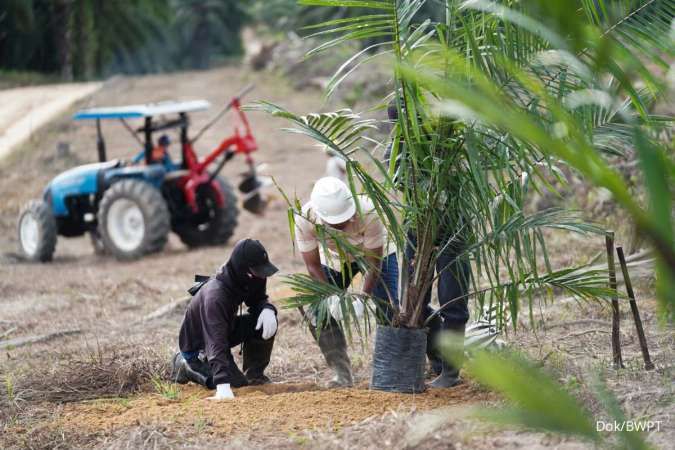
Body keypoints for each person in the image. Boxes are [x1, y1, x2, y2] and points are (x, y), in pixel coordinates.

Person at [386, 99, 470, 388]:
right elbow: (399, 181)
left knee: (453, 299)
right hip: (418, 229)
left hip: (451, 227)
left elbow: (460, 178)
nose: (401, 132)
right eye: (398, 128)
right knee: (414, 299)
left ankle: (451, 372)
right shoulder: (394, 150)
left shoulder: (442, 140)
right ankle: (432, 361)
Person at [294, 176, 398, 387]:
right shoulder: (306, 218)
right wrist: (330, 297)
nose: (341, 225)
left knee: (392, 308)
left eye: (344, 220)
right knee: (315, 306)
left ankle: (401, 367)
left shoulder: (368, 212)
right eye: (335, 223)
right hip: (336, 257)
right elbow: (313, 265)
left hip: (377, 254)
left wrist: (363, 297)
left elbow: (373, 263)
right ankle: (341, 372)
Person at [171, 239, 279, 397]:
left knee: (262, 323)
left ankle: (255, 376)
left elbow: (258, 299)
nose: (261, 277)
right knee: (236, 385)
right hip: (200, 345)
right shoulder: (216, 296)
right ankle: (184, 364)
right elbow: (215, 340)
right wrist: (222, 382)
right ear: (242, 269)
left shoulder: (252, 277)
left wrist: (267, 309)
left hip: (225, 328)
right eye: (257, 271)